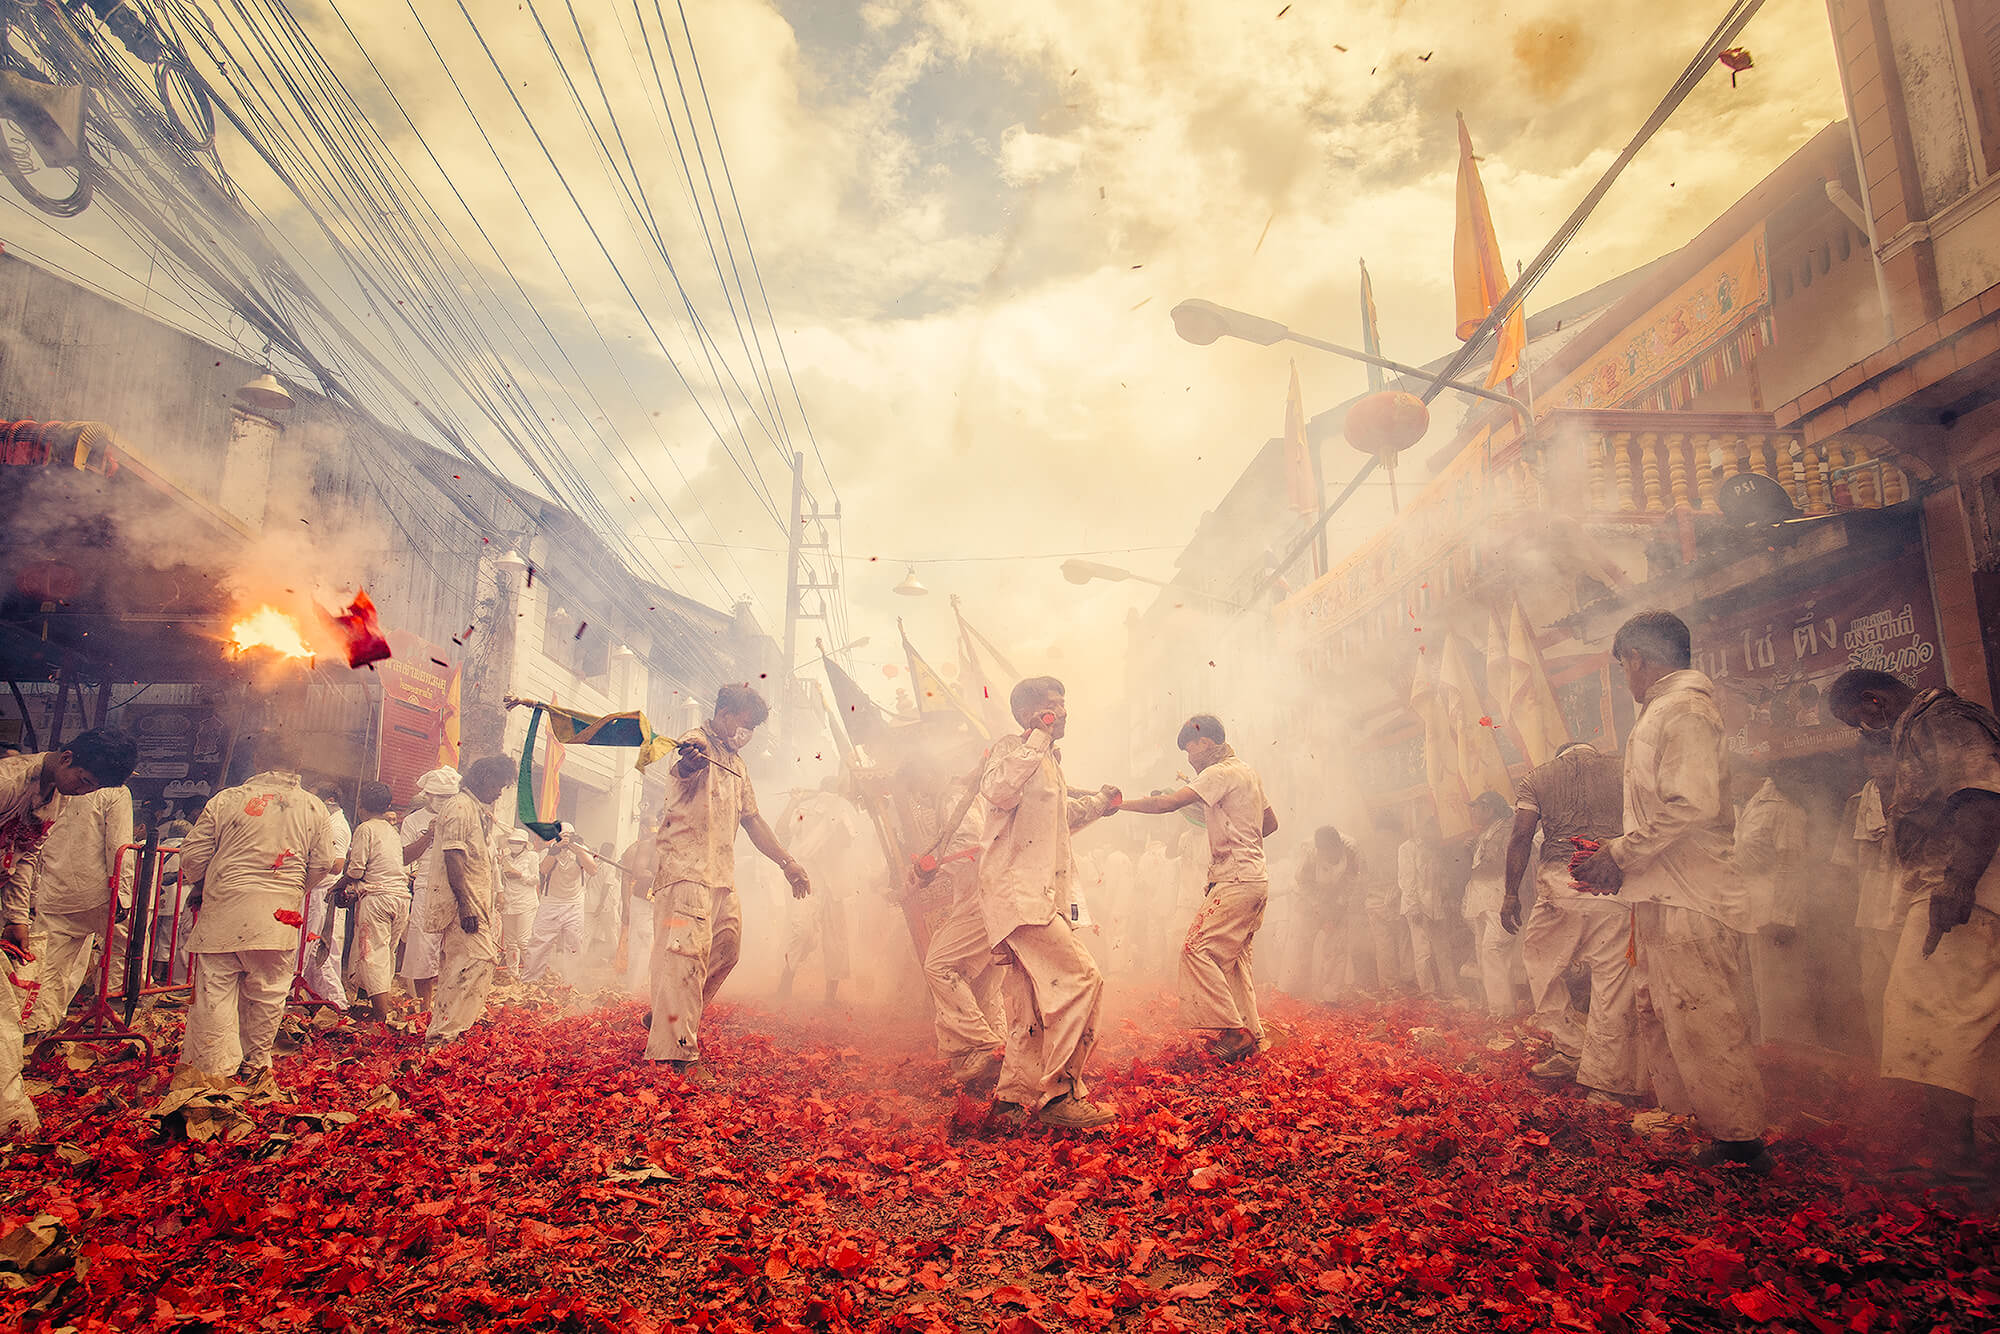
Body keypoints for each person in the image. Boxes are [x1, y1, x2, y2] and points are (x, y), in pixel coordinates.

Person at [1574, 611, 1770, 1173]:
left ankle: (1741, 1144)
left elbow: (1691, 806)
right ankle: (1694, 1121)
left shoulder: (1683, 709)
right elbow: (1662, 814)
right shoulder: (1664, 709)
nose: (1625, 678)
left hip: (1692, 896)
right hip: (1662, 893)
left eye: (1623, 667)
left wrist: (1619, 854)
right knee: (1665, 1011)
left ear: (1636, 659)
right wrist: (1616, 851)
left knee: (1702, 1013)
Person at [1829, 668, 2000, 1171]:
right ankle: (1968, 1146)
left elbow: (1983, 796)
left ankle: (1953, 1158)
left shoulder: (1940, 720)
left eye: (1856, 722)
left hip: (1964, 891)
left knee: (1932, 1015)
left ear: (1873, 701)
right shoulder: (1919, 729)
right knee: (1953, 1020)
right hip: (1950, 888)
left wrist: (1959, 883)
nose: (1862, 735)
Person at [645, 684, 811, 1072]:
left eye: (753, 726)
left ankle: (665, 1015)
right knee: (685, 959)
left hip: (719, 875)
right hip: (686, 872)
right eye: (745, 722)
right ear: (723, 713)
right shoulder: (694, 742)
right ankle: (676, 1053)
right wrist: (692, 761)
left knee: (727, 950)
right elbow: (685, 767)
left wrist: (788, 863)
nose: (748, 732)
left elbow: (752, 819)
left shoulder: (737, 764)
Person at [977, 677, 1119, 1128]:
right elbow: (997, 790)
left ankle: (1011, 1101)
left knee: (1027, 1001)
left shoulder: (1049, 764)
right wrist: (1037, 736)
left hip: (1040, 897)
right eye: (1049, 705)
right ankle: (1061, 1096)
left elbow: (1060, 820)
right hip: (1018, 896)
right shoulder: (1009, 750)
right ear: (1027, 714)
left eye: (1062, 704)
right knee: (1082, 979)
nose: (1060, 712)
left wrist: (1099, 803)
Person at [172, 733, 336, 1094]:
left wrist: (210, 881)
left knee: (216, 993)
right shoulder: (313, 807)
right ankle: (256, 1064)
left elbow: (193, 858)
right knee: (268, 992)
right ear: (298, 763)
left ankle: (215, 1073)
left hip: (224, 913)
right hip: (278, 918)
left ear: (259, 760)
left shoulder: (227, 800)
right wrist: (293, 888)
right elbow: (323, 863)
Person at [1, 729, 139, 1135]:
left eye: (93, 788)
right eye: (84, 780)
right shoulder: (8, 783)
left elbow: (26, 855)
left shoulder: (53, 797)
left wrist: (16, 919)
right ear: (66, 757)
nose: (84, 791)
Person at [1122, 715, 1278, 1062]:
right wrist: (1231, 823)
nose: (1189, 760)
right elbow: (1270, 823)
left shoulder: (1218, 772)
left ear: (1204, 745)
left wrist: (1117, 805)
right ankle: (1254, 1034)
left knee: (1196, 950)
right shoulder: (1247, 772)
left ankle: (1233, 1032)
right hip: (1255, 878)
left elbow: (1165, 804)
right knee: (1234, 961)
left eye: (1189, 750)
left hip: (1235, 878)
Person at [1505, 739, 1639, 1102]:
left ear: (1560, 755)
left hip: (1560, 886)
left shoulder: (1538, 778)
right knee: (1612, 983)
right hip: (1614, 888)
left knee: (1540, 963)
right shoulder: (1624, 769)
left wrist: (1511, 894)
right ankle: (1606, 1083)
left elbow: (1520, 836)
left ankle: (1570, 1045)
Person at [919, 764, 1007, 1087]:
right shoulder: (963, 796)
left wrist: (933, 869)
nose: (920, 795)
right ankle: (1000, 1071)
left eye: (918, 784)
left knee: (938, 966)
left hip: (981, 898)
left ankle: (985, 1043)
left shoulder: (956, 797)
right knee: (985, 983)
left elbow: (972, 852)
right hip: (991, 897)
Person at [25, 782, 135, 1035]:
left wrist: (33, 893)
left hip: (54, 890)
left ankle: (39, 1024)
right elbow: (118, 844)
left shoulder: (57, 785)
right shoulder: (115, 791)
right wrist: (123, 892)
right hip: (97, 891)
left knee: (51, 964)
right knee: (118, 947)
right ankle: (111, 1007)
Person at [425, 755, 516, 1045]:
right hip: (462, 905)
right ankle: (444, 1034)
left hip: (476, 903)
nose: (500, 792)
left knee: (466, 964)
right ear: (484, 777)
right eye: (498, 785)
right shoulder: (460, 807)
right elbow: (453, 858)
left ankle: (453, 1030)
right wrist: (465, 905)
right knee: (474, 962)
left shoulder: (475, 809)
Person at [1735, 762, 1811, 1047]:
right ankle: (1766, 1059)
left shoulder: (1781, 806)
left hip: (1775, 915)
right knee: (1755, 993)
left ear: (1746, 774)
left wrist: (1784, 917)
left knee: (1780, 998)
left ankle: (1793, 1063)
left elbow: (1792, 864)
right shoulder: (1746, 806)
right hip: (1749, 911)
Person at [1834, 741, 1902, 1055]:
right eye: (1871, 753)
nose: (1876, 760)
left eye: (1882, 751)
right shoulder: (1857, 803)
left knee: (1912, 992)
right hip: (1870, 909)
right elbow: (1844, 866)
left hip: (1908, 905)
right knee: (1875, 990)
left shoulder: (1918, 795)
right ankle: (1885, 1067)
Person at [778, 779, 866, 1005]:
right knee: (803, 930)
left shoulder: (845, 809)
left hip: (835, 882)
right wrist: (793, 802)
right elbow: (783, 831)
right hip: (808, 879)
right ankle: (786, 979)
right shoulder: (803, 810)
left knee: (835, 937)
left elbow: (847, 840)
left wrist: (835, 823)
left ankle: (830, 997)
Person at [333, 782, 408, 1024]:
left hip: (379, 900)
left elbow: (355, 870)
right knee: (385, 953)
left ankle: (381, 1017)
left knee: (372, 955)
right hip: (400, 899)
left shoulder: (365, 829)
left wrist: (339, 884)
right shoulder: (391, 831)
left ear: (361, 806)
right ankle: (366, 1004)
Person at [398, 768, 460, 1008]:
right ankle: (425, 1006)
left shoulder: (462, 816)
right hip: (426, 887)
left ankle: (449, 1003)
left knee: (455, 948)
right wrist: (428, 836)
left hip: (457, 887)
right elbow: (403, 857)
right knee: (423, 950)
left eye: (448, 796)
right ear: (428, 795)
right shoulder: (414, 821)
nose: (443, 801)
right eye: (438, 796)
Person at [1461, 792, 1524, 1017]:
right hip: (1483, 899)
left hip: (1498, 897)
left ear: (1489, 809)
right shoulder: (1488, 831)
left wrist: (1475, 853)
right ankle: (1496, 1007)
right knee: (1484, 951)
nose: (1473, 812)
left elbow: (1497, 863)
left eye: (1476, 807)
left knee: (1493, 950)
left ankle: (1502, 1011)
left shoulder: (1506, 830)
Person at [1291, 826, 1364, 1002]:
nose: (1329, 856)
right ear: (1319, 850)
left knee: (1338, 946)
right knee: (1306, 943)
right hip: (1311, 897)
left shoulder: (1352, 850)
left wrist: (1339, 906)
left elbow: (1352, 881)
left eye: (1332, 852)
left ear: (1338, 845)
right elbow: (1302, 882)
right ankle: (1305, 990)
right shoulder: (1308, 851)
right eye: (1325, 853)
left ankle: (1331, 994)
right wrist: (1318, 907)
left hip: (1338, 897)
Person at [522, 825, 596, 986]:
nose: (565, 840)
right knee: (539, 941)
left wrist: (579, 850)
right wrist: (556, 850)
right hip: (551, 902)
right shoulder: (549, 851)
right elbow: (543, 870)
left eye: (567, 836)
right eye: (561, 836)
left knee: (574, 943)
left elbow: (592, 869)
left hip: (574, 903)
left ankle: (571, 983)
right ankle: (530, 981)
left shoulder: (581, 850)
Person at [301, 783, 352, 1010]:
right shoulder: (327, 823)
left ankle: (337, 1003)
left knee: (323, 951)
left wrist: (309, 860)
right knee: (312, 951)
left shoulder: (337, 827)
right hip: (315, 893)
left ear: (330, 800)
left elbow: (336, 865)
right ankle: (317, 999)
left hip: (323, 896)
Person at [1398, 811, 1452, 996]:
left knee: (1443, 950)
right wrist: (1414, 907)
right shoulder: (1407, 848)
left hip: (1436, 906)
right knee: (1423, 952)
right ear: (1424, 829)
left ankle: (1451, 990)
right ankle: (1428, 992)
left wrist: (1445, 897)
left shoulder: (1435, 848)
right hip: (1418, 908)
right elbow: (1408, 881)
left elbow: (1441, 877)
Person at [495, 827, 541, 978]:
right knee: (510, 942)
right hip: (509, 903)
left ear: (524, 844)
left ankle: (530, 973)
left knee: (523, 941)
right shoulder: (506, 859)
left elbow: (536, 879)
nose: (515, 844)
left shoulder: (532, 857)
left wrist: (520, 875)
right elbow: (500, 881)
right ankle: (512, 974)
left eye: (518, 842)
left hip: (526, 903)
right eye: (512, 842)